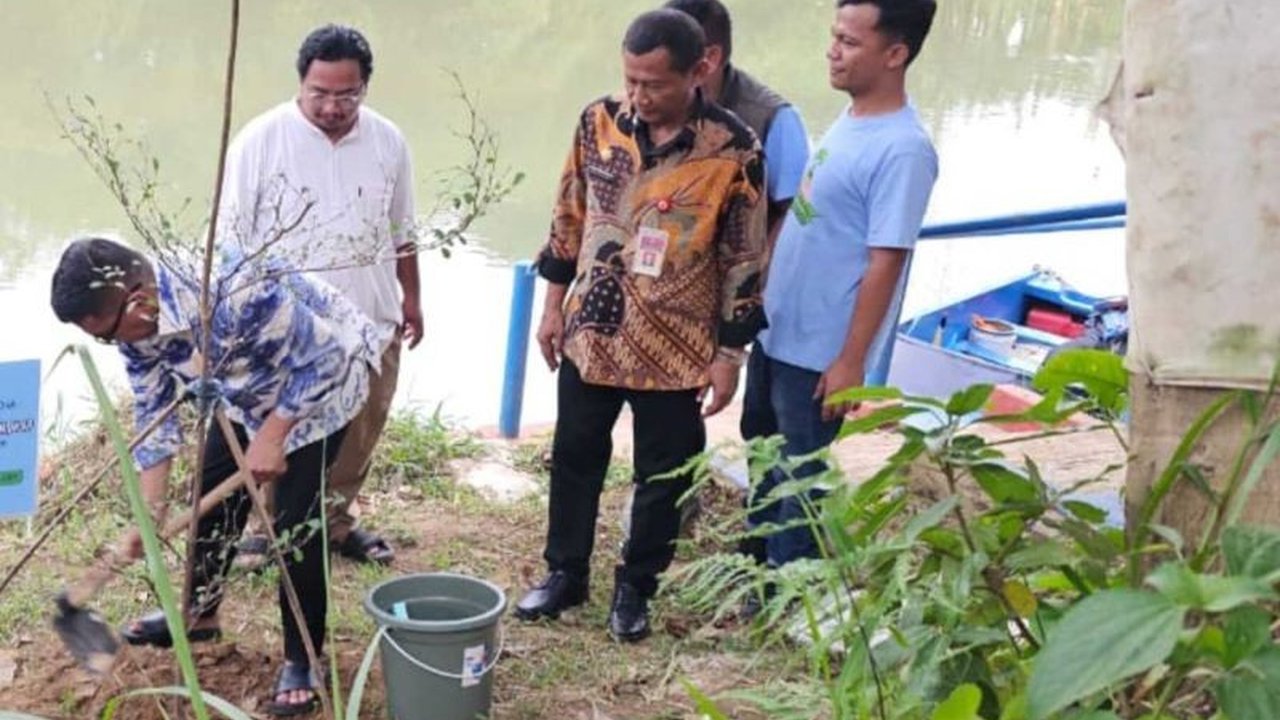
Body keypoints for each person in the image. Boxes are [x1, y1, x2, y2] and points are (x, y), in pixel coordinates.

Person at [513, 9, 767, 642]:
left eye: (654, 84)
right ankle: (565, 573)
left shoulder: (734, 150)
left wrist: (729, 355)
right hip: (593, 335)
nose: (638, 96)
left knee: (663, 475)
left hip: (677, 347)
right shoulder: (597, 124)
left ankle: (637, 587)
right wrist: (552, 306)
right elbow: (568, 217)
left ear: (698, 71)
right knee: (575, 455)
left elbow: (743, 259)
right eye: (631, 80)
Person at [49, 237, 384, 715]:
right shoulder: (136, 326)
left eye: (108, 334)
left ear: (139, 299)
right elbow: (154, 407)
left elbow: (326, 360)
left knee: (295, 529)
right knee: (210, 495)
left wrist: (274, 433)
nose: (113, 344)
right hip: (247, 392)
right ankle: (199, 614)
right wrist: (150, 512)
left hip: (323, 385)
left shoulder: (236, 293)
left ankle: (302, 658)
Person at [741, 0, 939, 580]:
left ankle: (788, 589)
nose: (833, 52)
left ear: (895, 53)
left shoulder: (904, 149)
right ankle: (752, 570)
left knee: (798, 473)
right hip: (779, 329)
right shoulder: (851, 119)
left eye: (850, 42)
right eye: (835, 37)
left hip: (820, 350)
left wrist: (851, 359)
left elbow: (886, 259)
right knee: (763, 450)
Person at [222, 24, 419, 567]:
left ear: (365, 87)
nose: (333, 106)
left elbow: (403, 229)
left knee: (359, 433)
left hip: (371, 321)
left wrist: (412, 298)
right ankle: (269, 528)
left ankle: (334, 521)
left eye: (347, 95)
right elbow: (232, 246)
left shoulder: (388, 141)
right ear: (301, 84)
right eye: (321, 94)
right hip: (287, 331)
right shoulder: (260, 141)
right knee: (280, 432)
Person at [664, 0, 810, 238]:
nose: (660, 68)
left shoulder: (773, 118)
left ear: (711, 58)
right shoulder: (645, 104)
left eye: (671, 58)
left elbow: (796, 217)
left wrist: (760, 262)